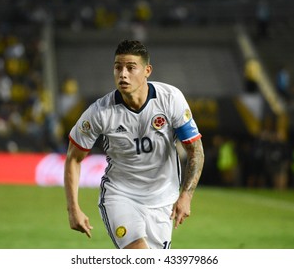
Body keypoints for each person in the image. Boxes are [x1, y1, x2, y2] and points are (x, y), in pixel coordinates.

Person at [64, 40, 204, 249]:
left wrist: (186, 195)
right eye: (118, 67)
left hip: (163, 199)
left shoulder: (170, 99)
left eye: (130, 68)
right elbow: (74, 158)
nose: (123, 74)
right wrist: (73, 208)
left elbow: (196, 151)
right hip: (121, 195)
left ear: (147, 70)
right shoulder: (99, 112)